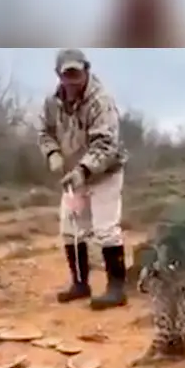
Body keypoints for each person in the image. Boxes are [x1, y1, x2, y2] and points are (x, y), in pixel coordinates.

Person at [38, 48, 129, 310]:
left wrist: (83, 171)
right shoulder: (52, 103)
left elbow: (106, 144)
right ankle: (80, 284)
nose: (73, 79)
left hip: (105, 172)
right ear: (59, 75)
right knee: (70, 229)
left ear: (86, 70)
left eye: (77, 73)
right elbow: (43, 131)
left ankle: (116, 288)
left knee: (105, 229)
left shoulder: (101, 101)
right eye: (67, 74)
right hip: (72, 173)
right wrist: (53, 152)